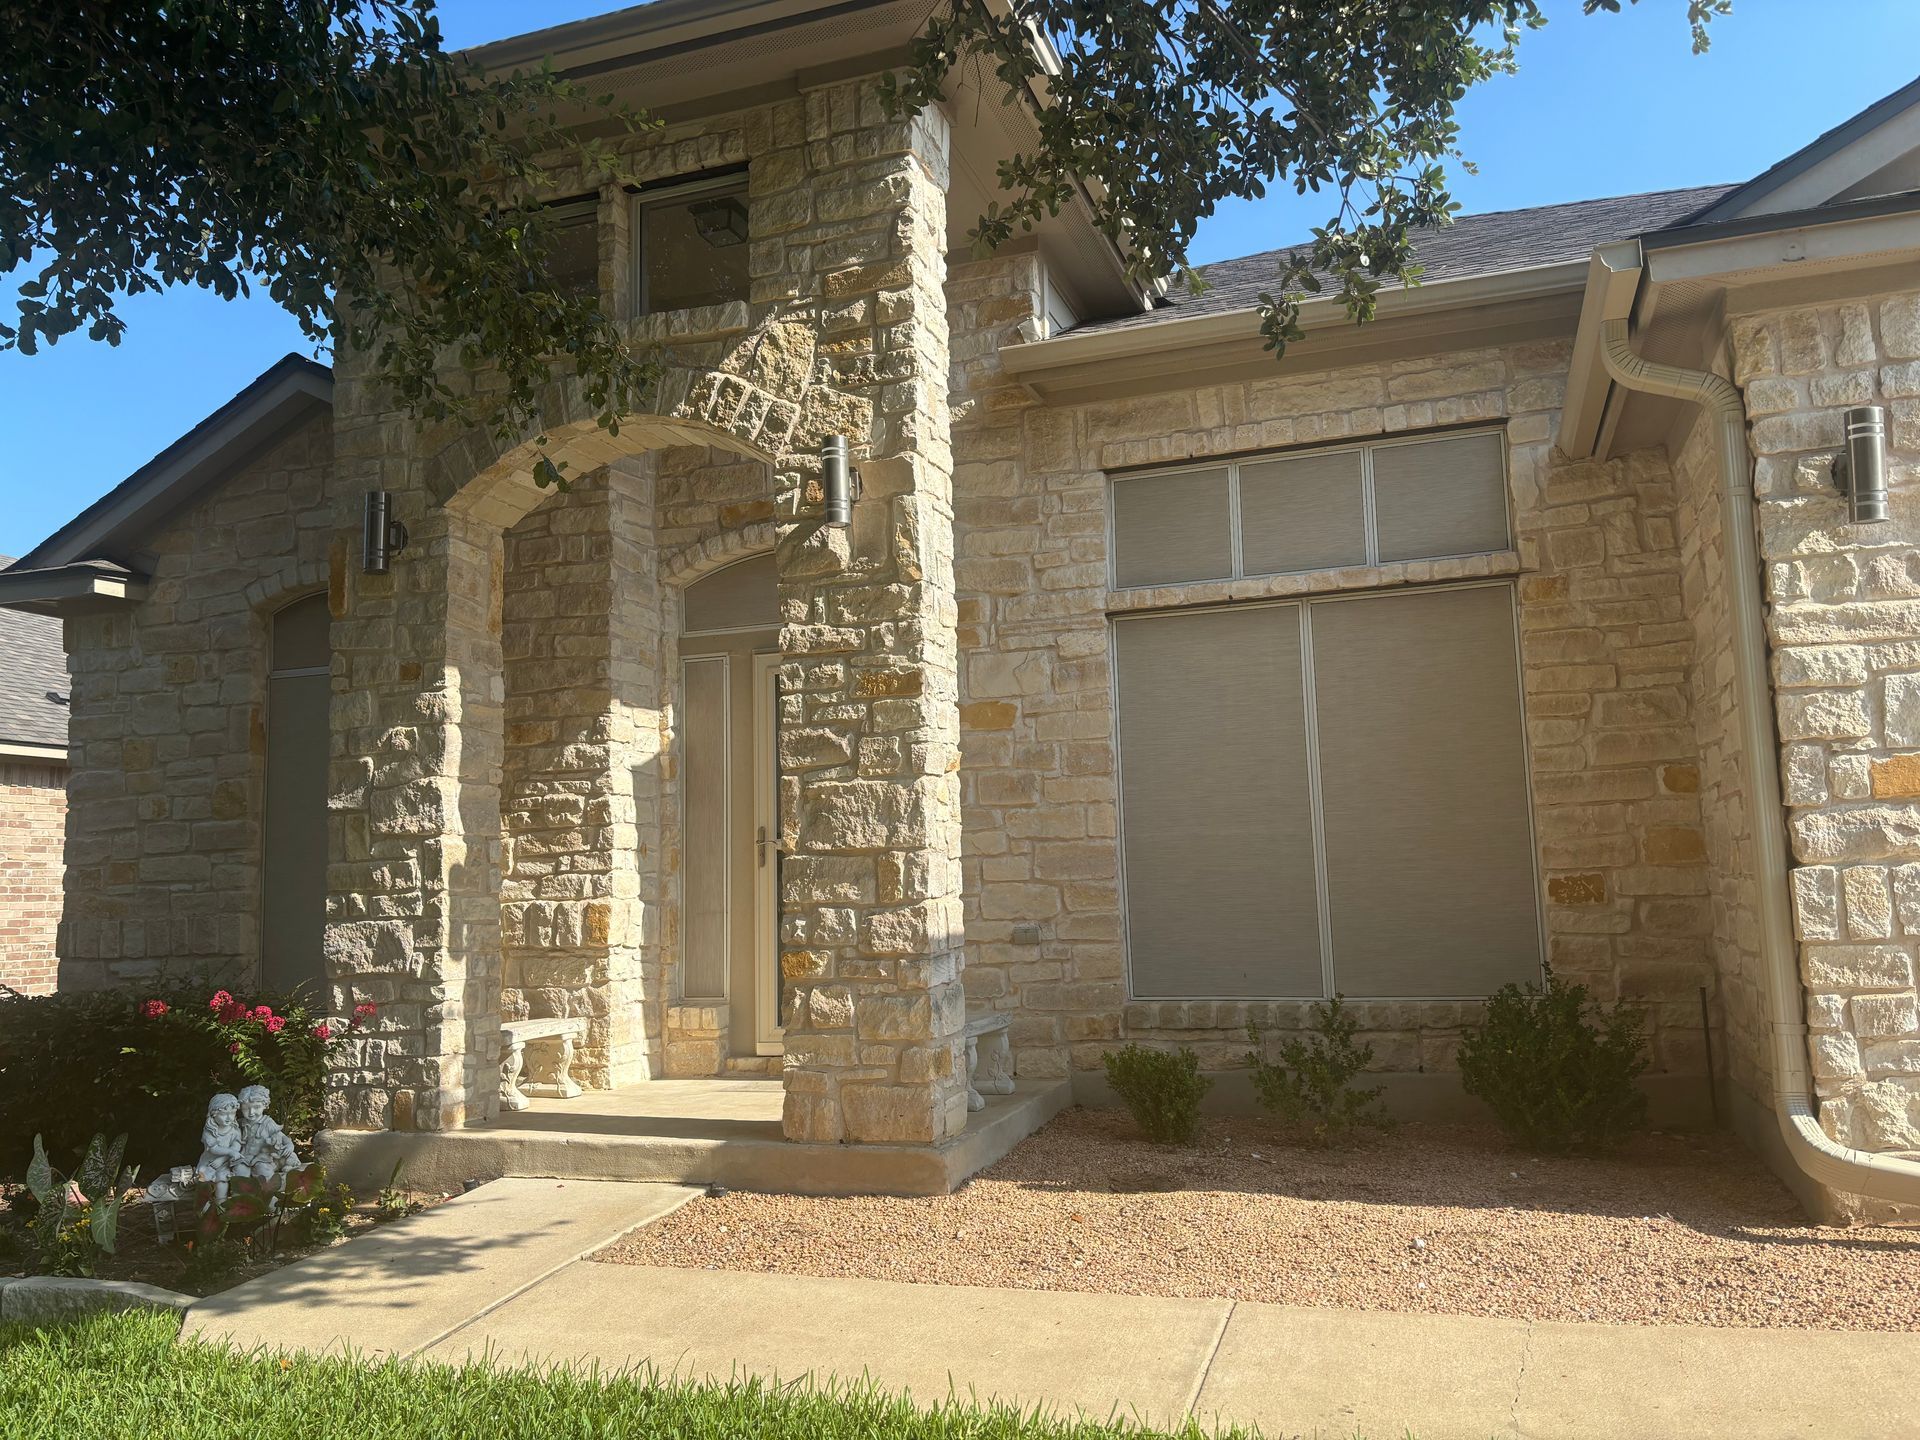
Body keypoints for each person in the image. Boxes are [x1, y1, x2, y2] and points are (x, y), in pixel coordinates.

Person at [236, 1084, 302, 1192]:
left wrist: (289, 1146)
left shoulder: (267, 1123)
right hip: (245, 1158)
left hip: (263, 1159)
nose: (251, 1112)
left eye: (256, 1107)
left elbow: (283, 1137)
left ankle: (270, 1196)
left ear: (265, 1105)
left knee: (263, 1174)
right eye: (246, 1108)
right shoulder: (240, 1124)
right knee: (239, 1175)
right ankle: (242, 1196)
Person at [196, 1093, 243, 1204]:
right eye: (223, 1114)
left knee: (222, 1180)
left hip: (224, 1164)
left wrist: (222, 1160)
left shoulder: (235, 1130)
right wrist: (230, 1152)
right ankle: (204, 1206)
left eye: (232, 1113)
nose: (229, 1118)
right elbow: (213, 1148)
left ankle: (221, 1205)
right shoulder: (209, 1131)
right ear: (213, 1114)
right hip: (208, 1163)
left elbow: (236, 1146)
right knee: (203, 1181)